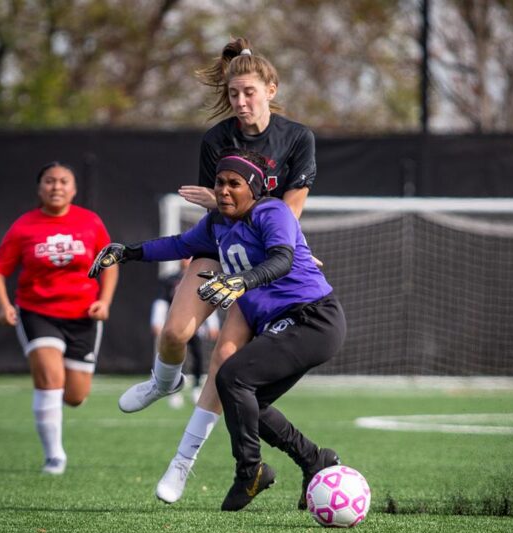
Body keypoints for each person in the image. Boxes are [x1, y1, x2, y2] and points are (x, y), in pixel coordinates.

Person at [115, 38, 331, 505]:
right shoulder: (216, 140)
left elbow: (289, 209)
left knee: (223, 361)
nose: (241, 101)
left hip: (265, 252)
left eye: (250, 92)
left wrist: (289, 247)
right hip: (224, 244)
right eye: (234, 93)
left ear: (271, 89)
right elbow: (221, 205)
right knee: (174, 333)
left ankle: (182, 465)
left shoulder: (297, 138)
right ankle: (162, 382)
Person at [89, 148, 345, 511]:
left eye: (233, 184)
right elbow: (178, 245)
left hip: (313, 318)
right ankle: (312, 459)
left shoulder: (270, 211)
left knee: (231, 378)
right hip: (284, 323)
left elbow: (282, 258)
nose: (223, 190)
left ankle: (250, 471)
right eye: (219, 183)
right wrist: (128, 252)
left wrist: (242, 280)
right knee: (246, 400)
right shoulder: (217, 224)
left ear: (254, 189)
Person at [0, 161, 118, 475]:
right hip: (37, 311)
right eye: (49, 181)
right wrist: (4, 305)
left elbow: (110, 261)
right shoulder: (24, 226)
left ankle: (69, 398)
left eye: (63, 181)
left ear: (73, 189)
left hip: (83, 314)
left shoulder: (90, 222)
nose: (56, 186)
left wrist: (104, 300)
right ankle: (54, 457)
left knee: (74, 396)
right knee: (49, 379)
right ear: (39, 188)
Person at [151, 258, 220, 408]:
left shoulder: (203, 278)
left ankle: (196, 388)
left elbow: (208, 301)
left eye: (189, 257)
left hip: (195, 323)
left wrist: (212, 323)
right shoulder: (170, 280)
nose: (185, 260)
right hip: (175, 324)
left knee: (200, 356)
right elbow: (161, 301)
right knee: (174, 357)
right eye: (184, 257)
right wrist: (157, 321)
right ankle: (174, 390)